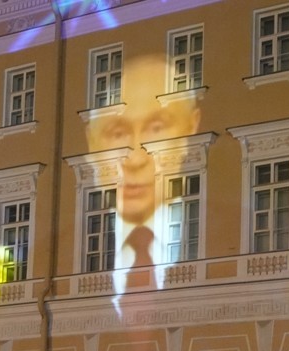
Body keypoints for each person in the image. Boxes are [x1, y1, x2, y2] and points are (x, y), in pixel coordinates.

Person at [84, 53, 202, 271]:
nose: (135, 159)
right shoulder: (60, 240)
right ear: (91, 141)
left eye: (156, 129)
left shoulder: (218, 226)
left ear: (191, 129)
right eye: (118, 133)